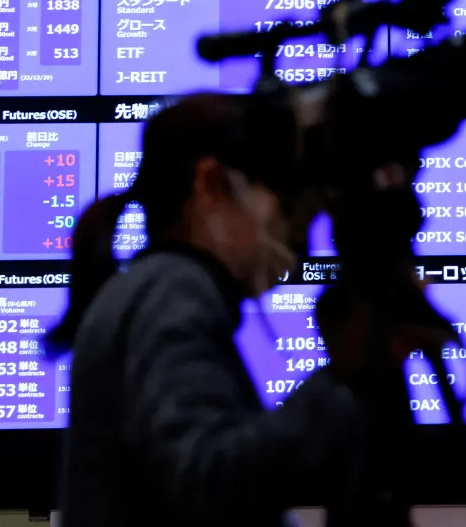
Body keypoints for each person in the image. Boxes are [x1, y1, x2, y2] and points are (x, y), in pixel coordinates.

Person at [47, 93, 415, 527]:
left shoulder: (152, 288)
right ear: (211, 184)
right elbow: (206, 481)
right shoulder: (171, 290)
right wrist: (344, 379)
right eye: (280, 195)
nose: (294, 226)